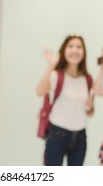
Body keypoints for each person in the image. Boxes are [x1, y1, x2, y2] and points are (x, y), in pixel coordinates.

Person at [36, 35, 94, 166]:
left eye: (79, 47)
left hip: (80, 137)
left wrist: (89, 108)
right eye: (70, 46)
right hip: (57, 135)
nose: (75, 50)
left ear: (84, 52)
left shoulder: (88, 79)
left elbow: (90, 112)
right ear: (63, 50)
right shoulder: (56, 75)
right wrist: (51, 65)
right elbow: (40, 91)